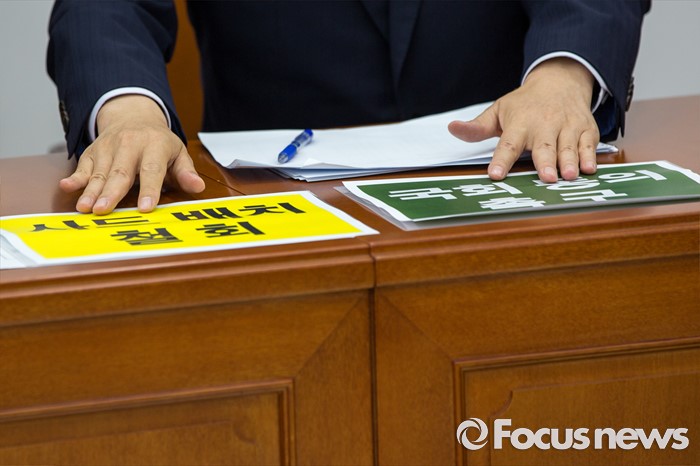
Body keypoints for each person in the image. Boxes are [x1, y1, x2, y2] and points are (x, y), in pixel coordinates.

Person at [47, 0, 649, 215]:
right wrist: (129, 111)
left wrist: (563, 75)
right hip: (276, 201)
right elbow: (105, 7)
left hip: (506, 178)